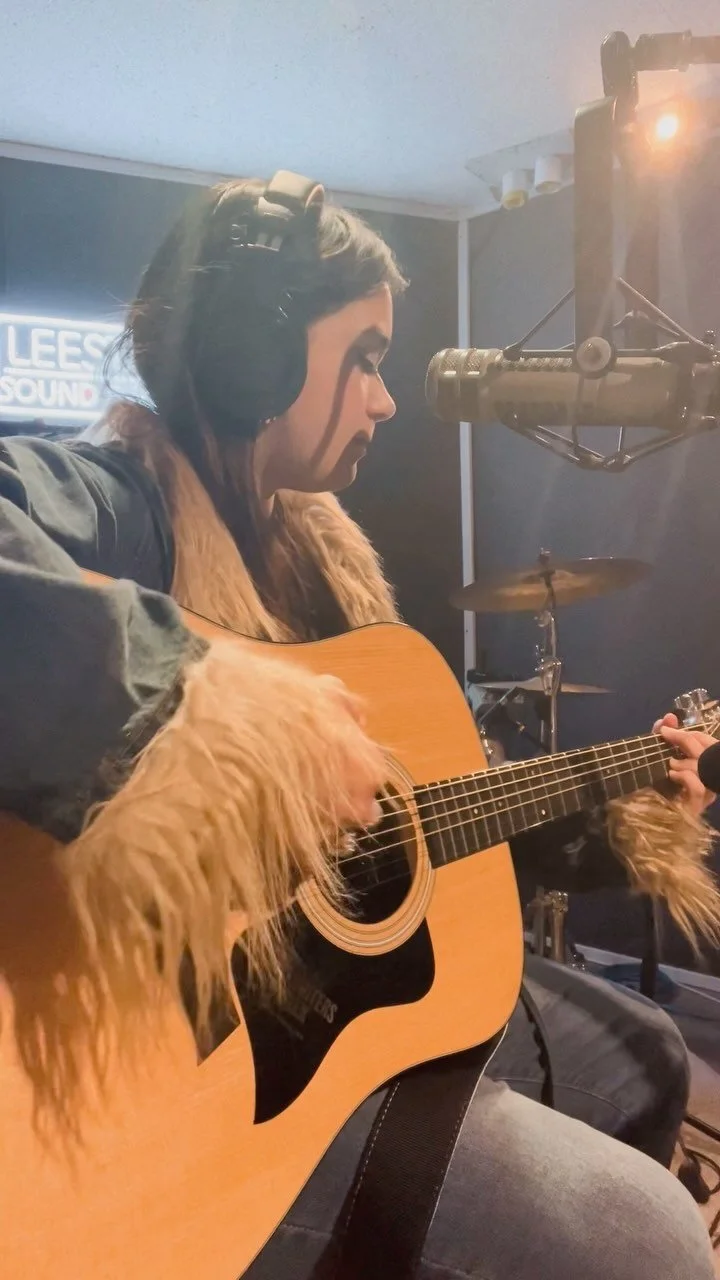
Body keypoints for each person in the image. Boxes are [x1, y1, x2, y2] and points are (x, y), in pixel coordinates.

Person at [1, 171, 718, 1279]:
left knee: (650, 1054)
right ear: (253, 361)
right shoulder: (119, 499)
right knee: (648, 1239)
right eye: (367, 358)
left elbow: (406, 843)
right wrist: (214, 700)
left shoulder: (319, 561)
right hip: (167, 1092)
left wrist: (619, 809)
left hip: (334, 1024)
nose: (385, 402)